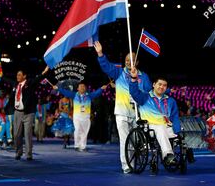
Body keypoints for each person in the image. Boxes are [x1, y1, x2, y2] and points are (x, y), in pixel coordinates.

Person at [94, 41, 152, 174]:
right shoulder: (118, 72)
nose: (127, 62)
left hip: (138, 113)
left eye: (130, 60)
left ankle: (133, 162)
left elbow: (150, 93)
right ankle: (127, 165)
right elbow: (106, 67)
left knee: (135, 140)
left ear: (136, 62)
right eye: (126, 60)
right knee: (125, 139)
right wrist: (100, 53)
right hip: (121, 111)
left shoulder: (144, 77)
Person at [129, 68, 180, 165]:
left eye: (164, 85)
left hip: (167, 127)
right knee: (160, 129)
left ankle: (185, 154)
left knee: (178, 133)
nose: (161, 87)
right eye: (159, 84)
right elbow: (134, 92)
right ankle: (168, 155)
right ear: (154, 85)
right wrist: (134, 78)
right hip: (150, 129)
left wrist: (178, 131)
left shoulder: (171, 101)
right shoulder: (144, 97)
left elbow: (175, 117)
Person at [3, 67, 49, 161]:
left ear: (24, 76)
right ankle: (18, 152)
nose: (17, 76)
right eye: (17, 75)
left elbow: (38, 78)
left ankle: (28, 154)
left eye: (19, 75)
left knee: (27, 134)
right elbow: (6, 79)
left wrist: (44, 72)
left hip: (28, 113)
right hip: (17, 112)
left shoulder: (29, 83)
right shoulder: (15, 84)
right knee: (16, 134)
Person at [54, 82, 107, 151]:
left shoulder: (89, 96)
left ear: (85, 88)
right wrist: (58, 88)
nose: (82, 87)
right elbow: (66, 92)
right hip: (77, 116)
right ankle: (77, 145)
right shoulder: (74, 95)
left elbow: (96, 93)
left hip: (86, 116)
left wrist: (101, 89)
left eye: (83, 86)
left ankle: (83, 146)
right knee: (77, 130)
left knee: (85, 132)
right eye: (80, 86)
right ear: (78, 88)